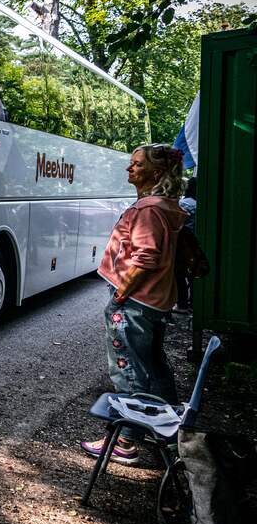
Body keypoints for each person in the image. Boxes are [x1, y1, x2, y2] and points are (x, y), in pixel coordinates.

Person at [80, 144, 187, 466]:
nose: (130, 169)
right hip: (156, 302)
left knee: (128, 371)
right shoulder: (167, 206)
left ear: (156, 173)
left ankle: (126, 441)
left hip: (136, 303)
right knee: (155, 365)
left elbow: (146, 257)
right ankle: (170, 431)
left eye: (137, 165)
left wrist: (120, 295)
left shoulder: (148, 211)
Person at [175, 177, 198, 312]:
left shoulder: (183, 204)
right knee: (193, 275)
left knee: (179, 274)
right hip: (195, 245)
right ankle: (194, 303)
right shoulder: (200, 204)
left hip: (182, 245)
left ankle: (182, 304)